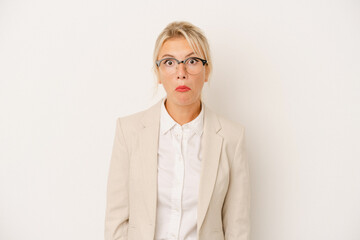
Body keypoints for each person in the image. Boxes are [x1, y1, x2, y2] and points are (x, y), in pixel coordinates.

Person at [104, 21, 250, 240]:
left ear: (206, 70)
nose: (181, 72)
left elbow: (237, 228)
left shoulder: (232, 137)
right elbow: (116, 221)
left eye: (192, 61)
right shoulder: (129, 131)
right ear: (158, 72)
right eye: (169, 62)